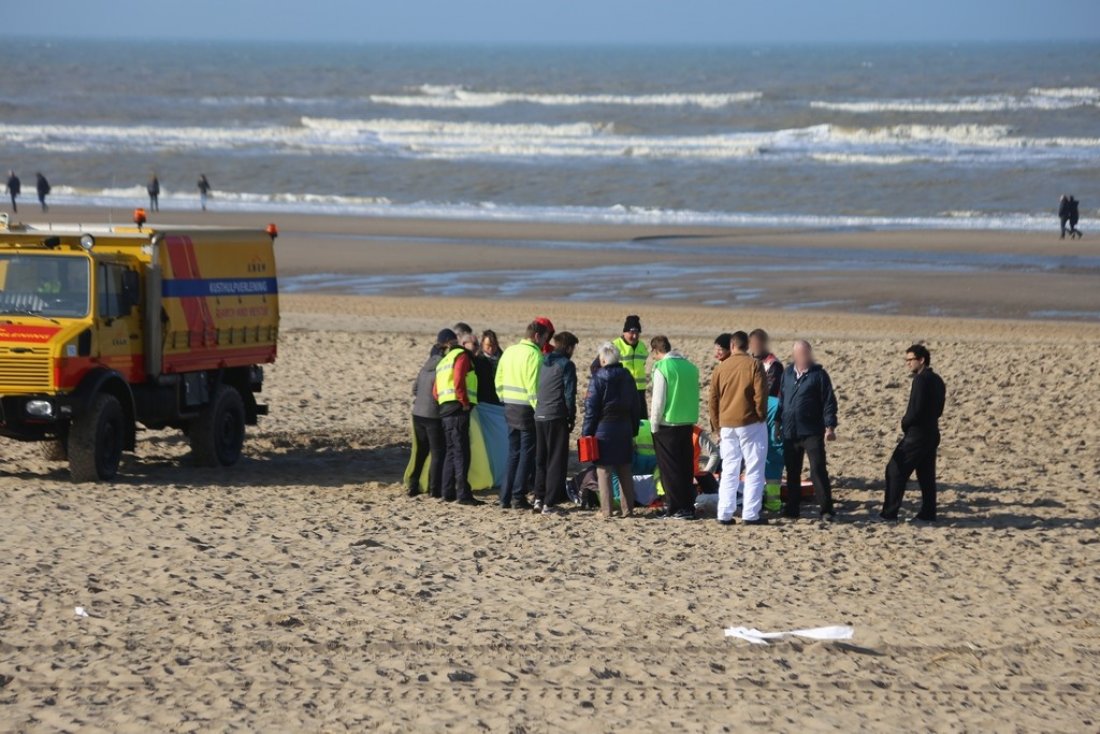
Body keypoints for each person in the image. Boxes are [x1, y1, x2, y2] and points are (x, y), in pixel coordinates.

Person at [709, 331, 769, 526]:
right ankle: (750, 513)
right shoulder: (754, 364)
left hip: (727, 424)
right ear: (747, 346)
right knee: (753, 468)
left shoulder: (721, 368)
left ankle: (724, 513)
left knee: (729, 469)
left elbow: (713, 400)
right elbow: (761, 395)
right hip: (749, 422)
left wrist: (716, 424)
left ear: (732, 346)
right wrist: (761, 416)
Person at [881, 344, 946, 522]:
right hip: (932, 432)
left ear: (922, 360)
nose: (908, 364)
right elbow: (939, 409)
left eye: (911, 360)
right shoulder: (937, 379)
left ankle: (889, 513)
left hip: (918, 434)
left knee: (895, 470)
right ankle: (928, 513)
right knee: (926, 475)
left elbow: (914, 410)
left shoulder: (921, 379)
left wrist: (905, 423)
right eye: (906, 360)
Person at [778, 340, 839, 520]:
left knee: (817, 470)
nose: (802, 357)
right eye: (799, 354)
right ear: (794, 355)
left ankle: (826, 509)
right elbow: (782, 400)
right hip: (790, 431)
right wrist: (776, 422)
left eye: (805, 353)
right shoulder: (788, 373)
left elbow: (829, 402)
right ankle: (792, 508)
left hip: (812, 431)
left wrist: (830, 426)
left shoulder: (819, 375)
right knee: (792, 471)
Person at [495, 320, 551, 509]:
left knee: (513, 453)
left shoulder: (510, 351)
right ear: (537, 336)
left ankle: (504, 497)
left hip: (509, 406)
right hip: (526, 409)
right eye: (544, 338)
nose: (545, 342)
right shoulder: (534, 355)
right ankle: (518, 497)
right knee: (526, 455)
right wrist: (539, 410)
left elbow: (499, 378)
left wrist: (504, 397)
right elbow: (533, 386)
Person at [583, 342, 641, 519]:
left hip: (604, 427)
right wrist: (634, 429)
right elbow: (636, 406)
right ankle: (628, 509)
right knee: (625, 469)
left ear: (602, 359)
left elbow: (591, 409)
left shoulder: (598, 378)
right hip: (624, 426)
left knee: (604, 470)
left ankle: (606, 511)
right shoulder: (627, 376)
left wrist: (587, 432)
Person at [649, 336, 701, 521]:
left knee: (670, 470)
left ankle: (676, 508)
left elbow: (658, 401)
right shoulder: (690, 367)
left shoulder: (662, 368)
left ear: (656, 351)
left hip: (667, 424)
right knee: (685, 467)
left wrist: (654, 425)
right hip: (687, 422)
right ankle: (687, 506)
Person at [433, 328, 483, 505]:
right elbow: (458, 380)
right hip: (457, 409)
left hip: (445, 409)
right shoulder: (461, 356)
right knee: (462, 453)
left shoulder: (443, 361)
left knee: (451, 452)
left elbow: (435, 391)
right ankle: (463, 494)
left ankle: (448, 492)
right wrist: (464, 402)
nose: (476, 348)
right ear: (461, 344)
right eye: (474, 344)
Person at [533, 331, 579, 515]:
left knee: (541, 459)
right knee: (555, 460)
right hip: (555, 416)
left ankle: (538, 497)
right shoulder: (566, 365)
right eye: (573, 348)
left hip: (540, 414)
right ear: (568, 347)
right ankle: (549, 503)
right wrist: (571, 416)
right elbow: (569, 394)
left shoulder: (544, 361)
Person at [409, 342, 446, 498]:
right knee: (438, 453)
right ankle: (434, 488)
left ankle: (413, 484)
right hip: (433, 416)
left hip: (417, 414)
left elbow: (414, 389)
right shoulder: (441, 369)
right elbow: (440, 392)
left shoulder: (424, 368)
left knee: (421, 452)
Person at [613, 315, 649, 419]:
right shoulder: (614, 346)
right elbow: (596, 367)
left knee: (642, 423)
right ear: (624, 332)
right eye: (631, 333)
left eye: (637, 333)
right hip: (621, 392)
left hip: (640, 392)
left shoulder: (642, 346)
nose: (634, 336)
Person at [462, 332, 500, 406]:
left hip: (499, 400)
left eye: (494, 345)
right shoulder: (477, 361)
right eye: (488, 345)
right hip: (483, 401)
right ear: (482, 344)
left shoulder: (502, 359)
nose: (491, 348)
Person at [749, 328, 783, 398]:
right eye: (752, 343)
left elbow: (771, 389)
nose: (755, 346)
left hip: (767, 403)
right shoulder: (748, 361)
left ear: (764, 343)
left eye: (757, 343)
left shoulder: (773, 364)